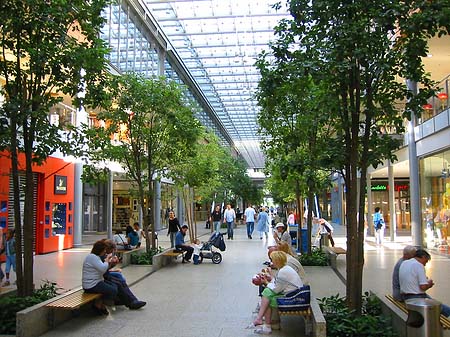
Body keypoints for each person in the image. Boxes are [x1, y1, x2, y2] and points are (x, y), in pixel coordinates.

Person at [251, 251, 303, 334]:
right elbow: (278, 284)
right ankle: (261, 321)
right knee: (267, 294)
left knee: (267, 296)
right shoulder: (285, 268)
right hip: (294, 294)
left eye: (272, 260)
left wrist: (265, 282)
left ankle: (262, 322)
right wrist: (270, 276)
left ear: (277, 261)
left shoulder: (283, 272)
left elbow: (276, 289)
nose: (271, 262)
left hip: (292, 298)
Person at [399, 249, 450, 317]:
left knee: (437, 304)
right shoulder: (419, 265)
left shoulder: (404, 263)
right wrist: (429, 285)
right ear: (423, 257)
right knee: (445, 309)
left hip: (405, 297)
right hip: (417, 297)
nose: (425, 264)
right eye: (426, 261)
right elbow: (423, 287)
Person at [102, 240, 146, 310]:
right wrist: (110, 263)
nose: (111, 252)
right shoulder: (100, 256)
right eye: (111, 250)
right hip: (100, 277)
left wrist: (112, 265)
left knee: (119, 278)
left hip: (103, 274)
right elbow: (102, 270)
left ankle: (129, 299)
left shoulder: (103, 255)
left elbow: (104, 269)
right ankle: (131, 301)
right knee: (118, 282)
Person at [82, 240, 118, 315]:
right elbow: (103, 269)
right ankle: (101, 305)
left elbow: (103, 269)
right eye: (104, 250)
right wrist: (107, 260)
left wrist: (111, 263)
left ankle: (99, 304)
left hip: (96, 282)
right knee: (113, 290)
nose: (105, 252)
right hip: (91, 285)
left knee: (114, 286)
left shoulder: (95, 257)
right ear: (99, 250)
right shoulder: (92, 257)